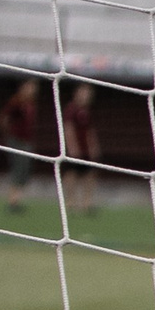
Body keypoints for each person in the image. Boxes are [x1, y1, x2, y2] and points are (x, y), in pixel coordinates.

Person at [0, 78, 42, 213]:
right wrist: (11, 135)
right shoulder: (16, 102)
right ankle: (12, 201)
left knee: (24, 171)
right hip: (17, 141)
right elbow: (4, 118)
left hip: (27, 141)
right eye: (30, 86)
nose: (32, 90)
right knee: (17, 169)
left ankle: (17, 200)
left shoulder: (31, 103)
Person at [59, 82, 99, 213]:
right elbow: (68, 129)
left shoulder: (87, 111)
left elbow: (89, 131)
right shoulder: (71, 109)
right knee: (71, 174)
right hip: (75, 150)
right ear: (76, 93)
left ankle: (86, 203)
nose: (86, 96)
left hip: (86, 150)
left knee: (90, 174)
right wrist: (72, 148)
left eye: (88, 93)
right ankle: (70, 201)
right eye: (83, 93)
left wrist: (93, 146)